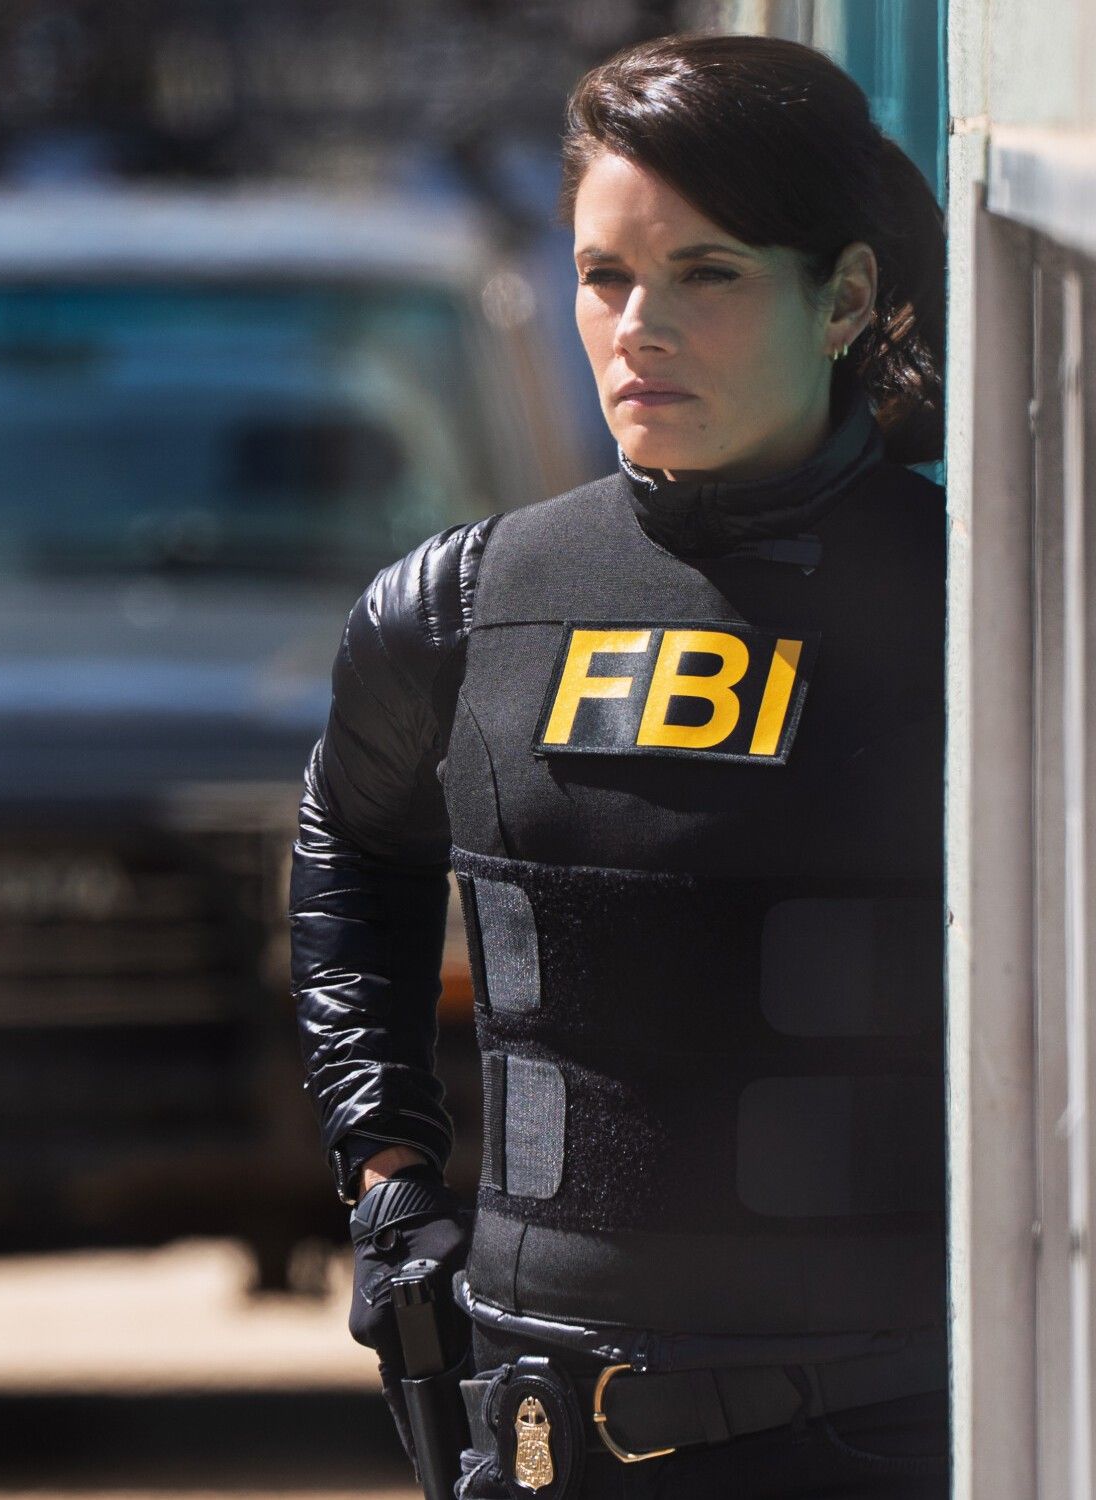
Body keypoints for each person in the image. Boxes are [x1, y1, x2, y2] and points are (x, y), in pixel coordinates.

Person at [293, 33, 950, 1499]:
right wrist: (387, 1166)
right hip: (540, 1433)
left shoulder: (987, 613)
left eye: (707, 273)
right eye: (605, 276)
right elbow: (347, 835)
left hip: (888, 1428)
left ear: (842, 296)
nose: (639, 326)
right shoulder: (460, 606)